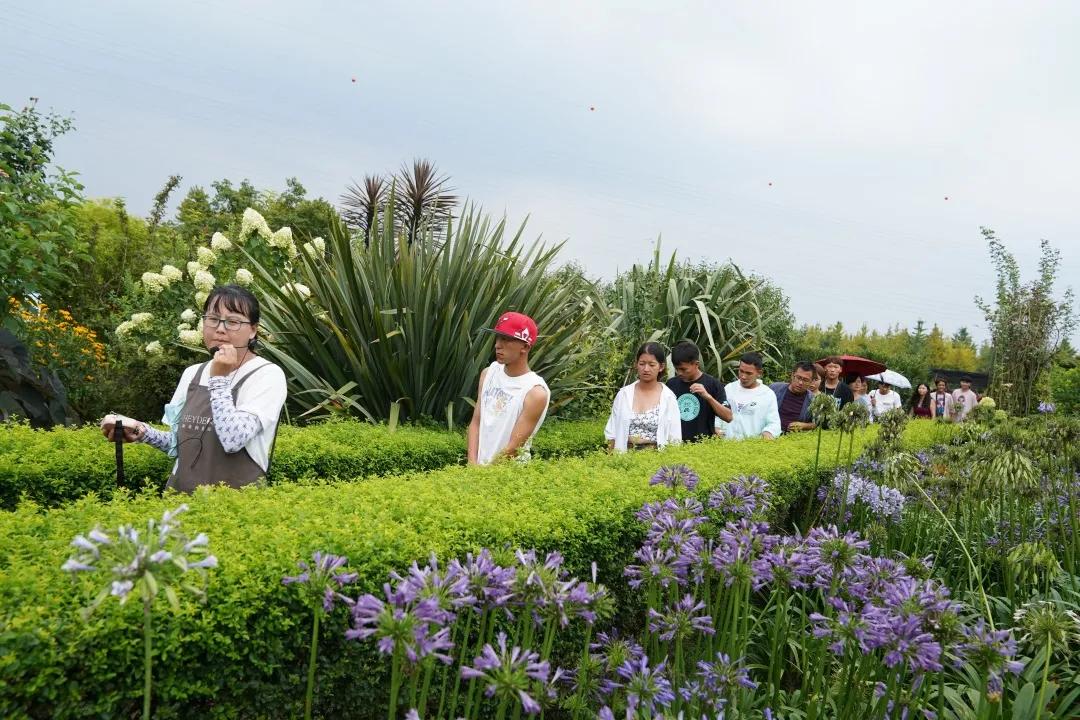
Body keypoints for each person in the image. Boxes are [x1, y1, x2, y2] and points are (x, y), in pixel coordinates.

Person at [101, 285, 287, 492]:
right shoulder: (192, 373)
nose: (220, 329)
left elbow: (233, 439)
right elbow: (180, 443)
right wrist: (140, 431)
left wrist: (218, 378)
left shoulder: (267, 375)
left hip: (236, 505)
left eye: (233, 322)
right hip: (181, 500)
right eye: (213, 319)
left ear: (253, 330)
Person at [467, 311, 550, 465]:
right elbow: (476, 422)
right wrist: (472, 465)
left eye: (506, 339)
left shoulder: (535, 392)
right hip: (477, 471)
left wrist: (484, 475)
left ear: (525, 346)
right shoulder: (488, 373)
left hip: (510, 474)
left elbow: (513, 448)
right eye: (498, 338)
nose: (497, 345)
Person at [605, 342, 682, 452]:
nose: (646, 369)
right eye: (642, 364)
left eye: (652, 365)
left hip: (656, 457)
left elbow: (675, 437)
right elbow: (611, 432)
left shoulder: (668, 398)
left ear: (661, 367)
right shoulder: (624, 395)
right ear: (636, 364)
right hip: (624, 457)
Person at [666, 340, 732, 442]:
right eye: (676, 369)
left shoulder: (713, 384)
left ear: (696, 364)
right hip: (676, 445)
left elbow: (728, 417)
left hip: (704, 446)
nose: (679, 373)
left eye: (683, 369)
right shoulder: (671, 385)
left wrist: (708, 397)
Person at [721, 352, 781, 440]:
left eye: (748, 373)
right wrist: (717, 428)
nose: (743, 376)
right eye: (741, 371)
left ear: (759, 373)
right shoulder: (729, 388)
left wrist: (768, 433)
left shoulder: (767, 394)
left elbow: (774, 423)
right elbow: (719, 413)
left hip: (751, 445)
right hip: (726, 444)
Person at [769, 361, 816, 433]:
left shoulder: (813, 400)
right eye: (798, 378)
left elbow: (818, 423)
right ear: (792, 375)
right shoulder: (775, 389)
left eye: (806, 380)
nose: (800, 383)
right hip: (769, 433)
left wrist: (804, 426)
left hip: (794, 437)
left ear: (811, 382)